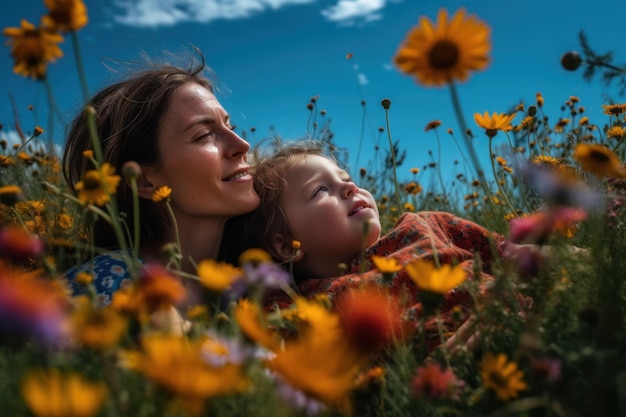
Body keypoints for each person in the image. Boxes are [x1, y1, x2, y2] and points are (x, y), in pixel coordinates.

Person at [241, 141, 514, 351]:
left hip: (517, 319)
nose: (350, 189)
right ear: (287, 245)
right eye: (319, 191)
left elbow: (506, 253)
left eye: (346, 179)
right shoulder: (304, 304)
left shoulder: (425, 226)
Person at [62, 51, 260, 309]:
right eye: (203, 135)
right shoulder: (107, 286)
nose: (242, 145)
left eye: (230, 127)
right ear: (142, 180)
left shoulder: (251, 285)